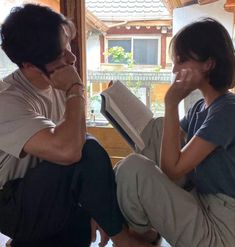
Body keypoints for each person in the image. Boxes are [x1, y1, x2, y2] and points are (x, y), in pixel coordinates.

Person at [0, 4, 152, 247]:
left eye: (69, 45)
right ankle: (122, 239)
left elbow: (73, 140)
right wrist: (76, 90)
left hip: (47, 188)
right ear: (29, 65)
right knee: (86, 148)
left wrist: (96, 206)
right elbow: (70, 151)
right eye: (62, 53)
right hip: (12, 203)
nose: (72, 58)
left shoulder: (56, 81)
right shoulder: (7, 100)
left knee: (83, 228)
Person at [115, 18, 235, 247]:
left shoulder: (228, 109)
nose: (174, 69)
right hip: (202, 201)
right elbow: (163, 142)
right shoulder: (201, 108)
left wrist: (171, 103)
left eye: (181, 61)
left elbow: (171, 169)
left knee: (133, 168)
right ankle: (138, 228)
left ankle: (140, 234)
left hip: (224, 226)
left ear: (208, 64)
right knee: (159, 130)